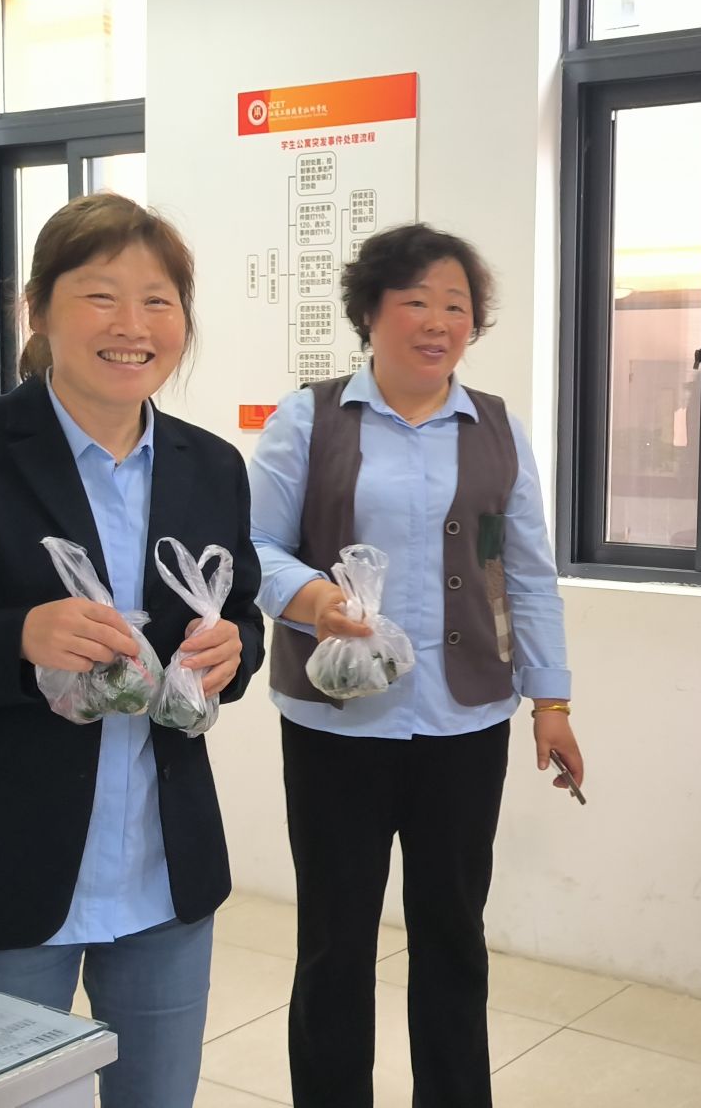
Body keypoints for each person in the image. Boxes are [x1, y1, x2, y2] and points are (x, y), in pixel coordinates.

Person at [0, 192, 267, 1108]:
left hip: (162, 877)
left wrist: (234, 651)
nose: (132, 325)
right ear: (36, 309)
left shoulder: (211, 466)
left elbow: (242, 615)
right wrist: (18, 638)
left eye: (158, 300)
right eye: (100, 295)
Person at [248, 222, 584, 1108]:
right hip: (336, 724)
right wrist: (313, 597)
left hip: (464, 723)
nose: (438, 323)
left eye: (457, 307)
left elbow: (526, 573)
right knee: (335, 942)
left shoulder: (498, 428)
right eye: (416, 302)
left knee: (453, 938)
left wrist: (551, 700)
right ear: (370, 311)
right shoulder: (309, 418)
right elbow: (253, 546)